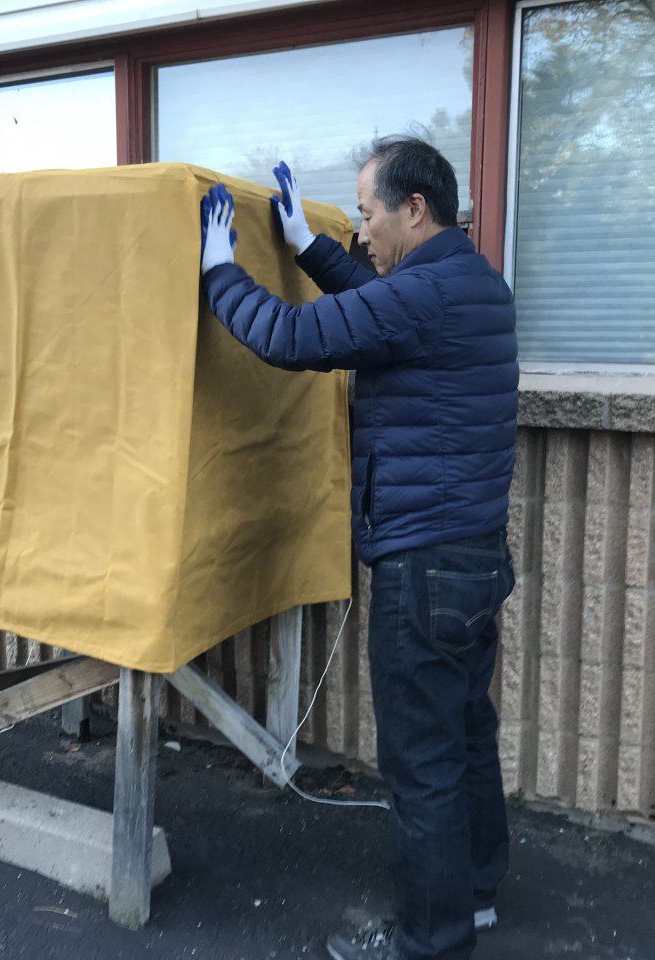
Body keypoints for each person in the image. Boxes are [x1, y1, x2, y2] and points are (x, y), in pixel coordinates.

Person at [198, 136, 518, 960]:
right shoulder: (472, 280)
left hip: (424, 566)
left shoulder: (425, 294)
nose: (361, 231)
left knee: (422, 762)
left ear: (415, 209)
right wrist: (307, 247)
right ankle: (476, 894)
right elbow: (380, 308)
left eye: (367, 214)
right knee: (464, 733)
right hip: (473, 559)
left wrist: (219, 272)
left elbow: (290, 337)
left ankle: (431, 942)